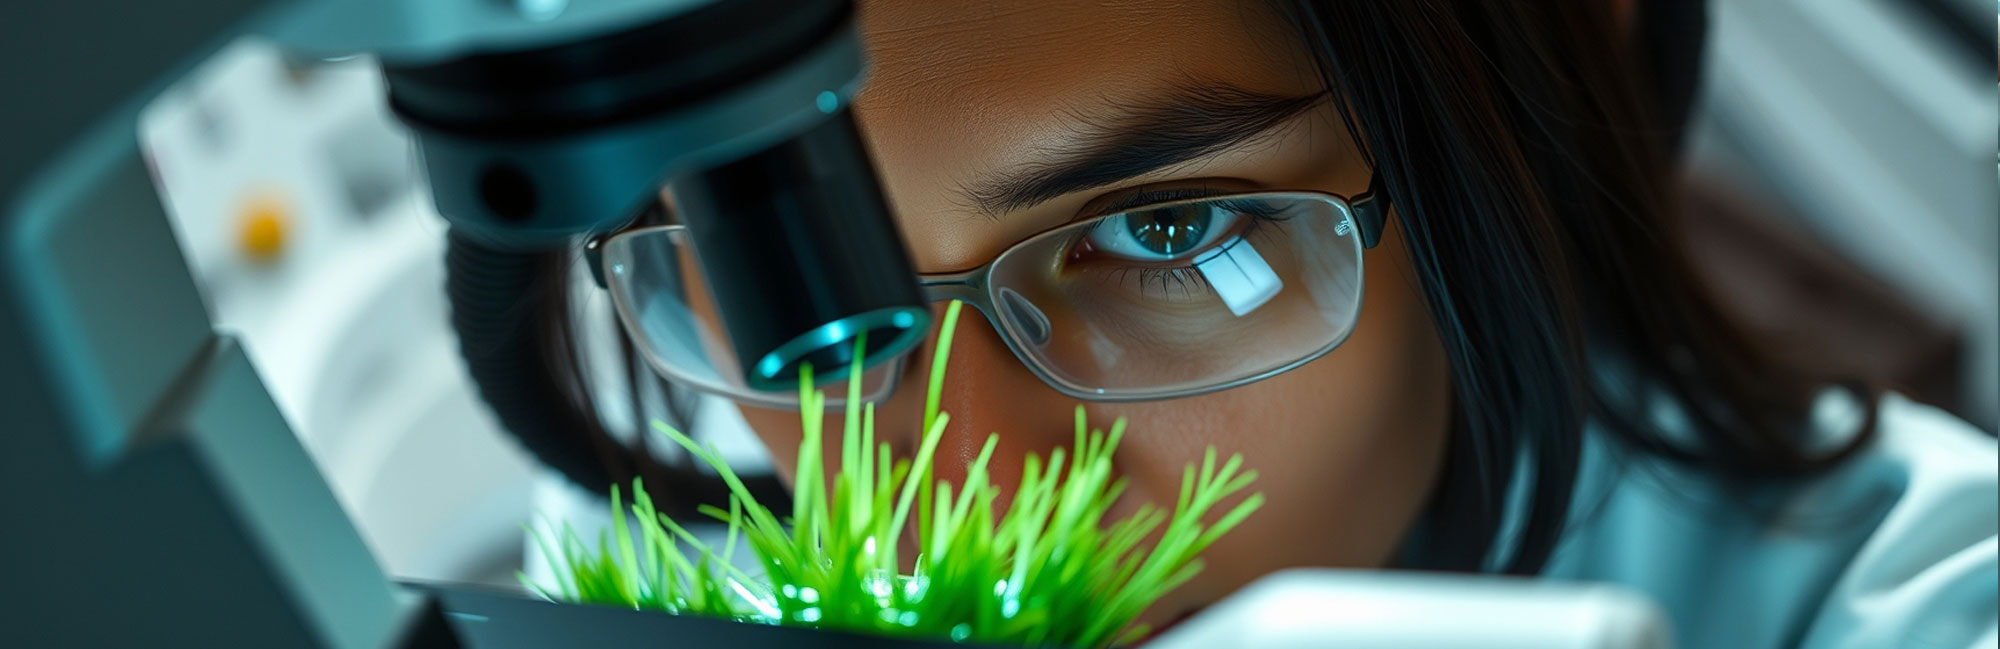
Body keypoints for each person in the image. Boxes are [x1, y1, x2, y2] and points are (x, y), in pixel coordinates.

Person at [452, 2, 1999, 647]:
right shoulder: (691, 469)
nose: (952, 502)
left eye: (1168, 234)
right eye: (794, 276)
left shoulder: (1929, 593)